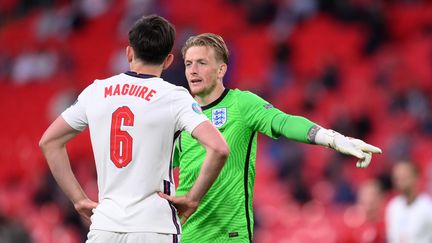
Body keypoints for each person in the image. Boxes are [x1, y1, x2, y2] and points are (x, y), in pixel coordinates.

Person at [161, 33, 382, 243]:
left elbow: (284, 122)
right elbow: (162, 164)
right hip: (185, 235)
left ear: (221, 70)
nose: (193, 71)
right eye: (189, 64)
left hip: (227, 235)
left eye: (202, 63)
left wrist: (332, 138)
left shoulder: (241, 104)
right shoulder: (181, 114)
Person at [39, 16, 229, 243]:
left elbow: (49, 142)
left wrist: (78, 200)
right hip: (154, 227)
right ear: (168, 60)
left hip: (105, 227)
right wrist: (192, 199)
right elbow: (219, 148)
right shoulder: (173, 96)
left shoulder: (97, 91)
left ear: (129, 53)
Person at [385, 161, 432, 243]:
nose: (399, 178)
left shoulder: (428, 206)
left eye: (404, 174)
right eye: (397, 176)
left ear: (416, 177)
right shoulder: (393, 206)